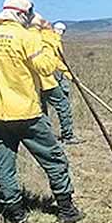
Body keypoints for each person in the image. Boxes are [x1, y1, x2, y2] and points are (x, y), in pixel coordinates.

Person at [0, 0, 84, 223]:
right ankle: (66, 210)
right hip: (27, 114)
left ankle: (15, 214)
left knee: (4, 165)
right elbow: (47, 67)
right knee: (54, 159)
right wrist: (48, 35)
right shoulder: (26, 37)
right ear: (24, 14)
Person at [31, 15, 80, 144]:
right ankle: (67, 136)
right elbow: (56, 61)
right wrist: (70, 75)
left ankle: (44, 138)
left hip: (32, 83)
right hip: (46, 81)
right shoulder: (51, 39)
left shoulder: (29, 37)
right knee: (63, 105)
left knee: (41, 110)